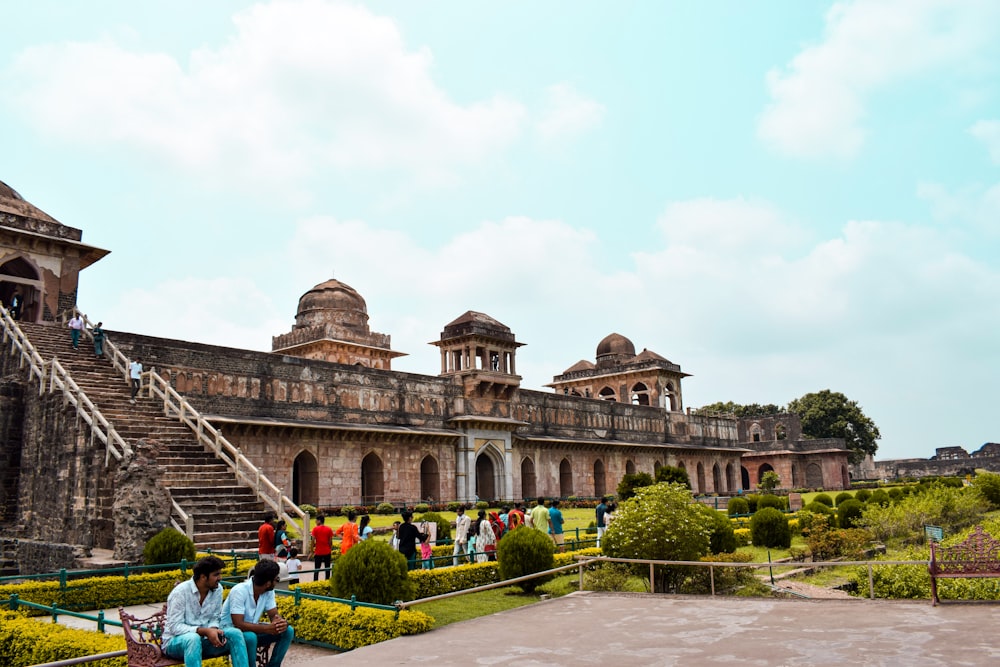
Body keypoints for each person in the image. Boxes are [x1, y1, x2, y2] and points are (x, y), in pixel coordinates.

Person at [162, 555, 248, 667]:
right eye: (216, 575)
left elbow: (215, 617)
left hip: (203, 640)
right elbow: (175, 626)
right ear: (203, 577)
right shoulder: (180, 592)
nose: (220, 578)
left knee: (235, 633)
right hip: (174, 643)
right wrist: (205, 631)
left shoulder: (217, 589)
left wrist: (212, 630)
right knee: (192, 639)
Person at [221, 559, 294, 667]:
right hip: (229, 632)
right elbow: (238, 624)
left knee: (288, 631)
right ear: (268, 583)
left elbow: (273, 615)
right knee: (250, 637)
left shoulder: (268, 591)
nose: (277, 582)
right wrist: (267, 628)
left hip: (251, 630)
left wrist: (279, 622)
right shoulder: (239, 591)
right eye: (276, 579)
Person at [310, 514, 333, 580]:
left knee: (317, 569)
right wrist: (330, 548)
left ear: (319, 521)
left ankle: (315, 583)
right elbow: (330, 542)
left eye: (316, 520)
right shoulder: (329, 529)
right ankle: (327, 582)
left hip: (318, 552)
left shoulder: (315, 529)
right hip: (327, 551)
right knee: (327, 568)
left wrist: (312, 551)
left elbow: (312, 541)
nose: (315, 522)